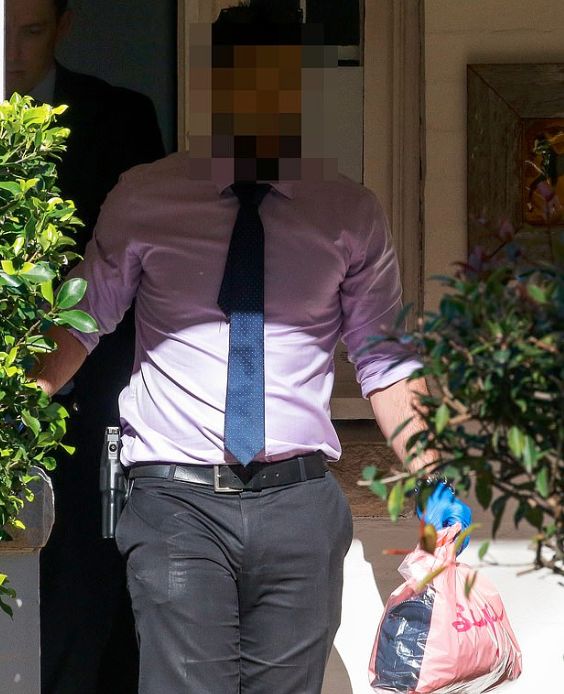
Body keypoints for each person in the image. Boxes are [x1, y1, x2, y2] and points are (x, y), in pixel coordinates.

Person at [33, 2, 471, 692]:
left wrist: (433, 476)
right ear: (216, 89)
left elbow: (384, 360)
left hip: (299, 503)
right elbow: (80, 322)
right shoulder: (146, 197)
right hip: (176, 501)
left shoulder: (347, 211)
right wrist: (15, 405)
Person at [6, 1, 165, 692]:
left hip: (90, 403)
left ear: (64, 25)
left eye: (31, 31)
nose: (12, 51)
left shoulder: (119, 117)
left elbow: (145, 269)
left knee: (86, 591)